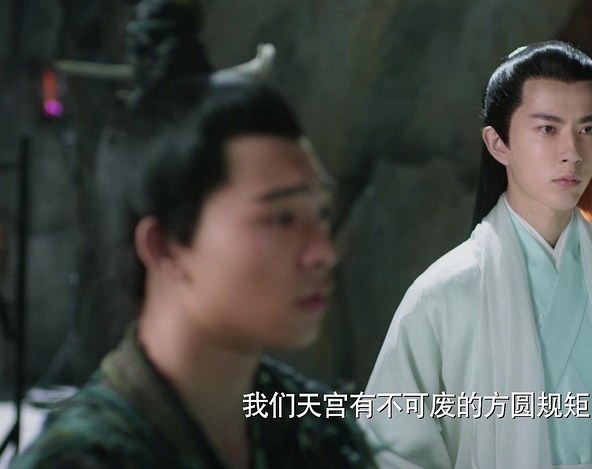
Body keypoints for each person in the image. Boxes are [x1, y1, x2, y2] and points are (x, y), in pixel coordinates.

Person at [13, 81, 376, 468]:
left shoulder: (318, 434)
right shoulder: (84, 460)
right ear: (164, 247)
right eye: (282, 219)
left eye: (322, 214)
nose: (323, 252)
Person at [361, 41, 592, 468]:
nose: (572, 152)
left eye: (587, 129)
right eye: (548, 129)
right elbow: (392, 447)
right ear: (498, 143)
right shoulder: (442, 293)